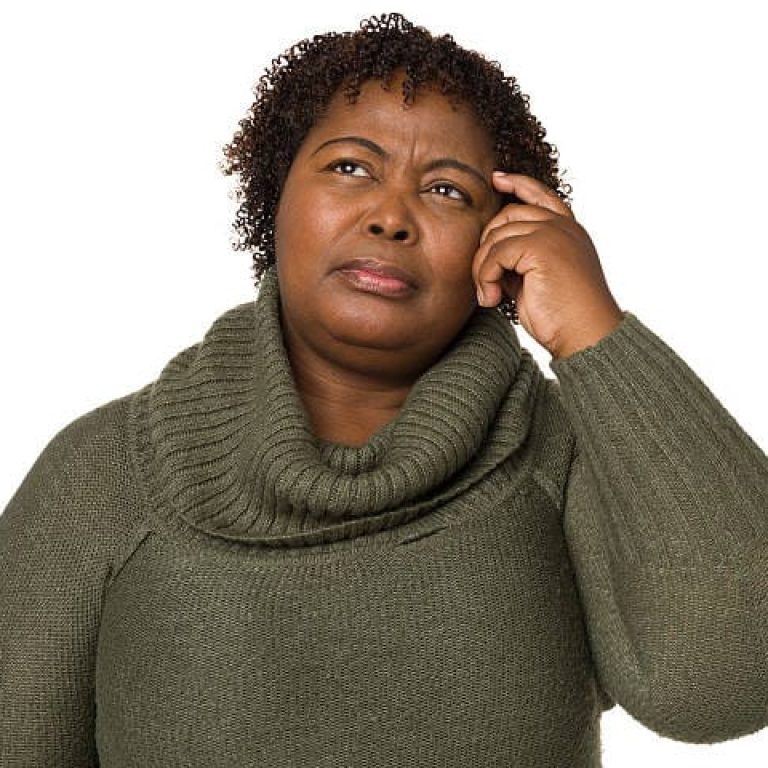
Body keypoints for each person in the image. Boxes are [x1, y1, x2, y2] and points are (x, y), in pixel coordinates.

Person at [1, 12, 766, 767]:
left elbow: (725, 685)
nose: (391, 217)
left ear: (500, 242)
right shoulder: (101, 476)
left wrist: (594, 333)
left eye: (446, 191)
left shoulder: (566, 460)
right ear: (276, 196)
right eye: (350, 168)